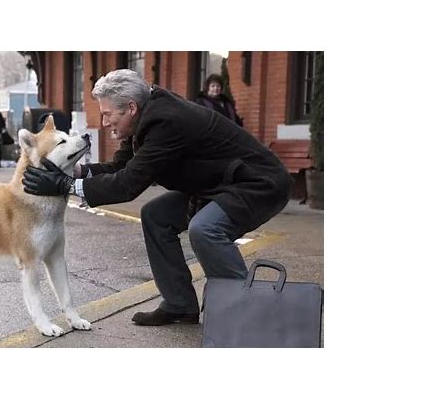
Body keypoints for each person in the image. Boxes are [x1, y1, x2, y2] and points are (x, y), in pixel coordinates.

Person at [22, 69, 293, 326]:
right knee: (156, 216)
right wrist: (73, 170)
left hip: (257, 183)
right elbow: (120, 168)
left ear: (130, 108)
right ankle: (179, 304)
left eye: (107, 115)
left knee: (205, 229)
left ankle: (248, 311)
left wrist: (64, 185)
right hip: (218, 184)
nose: (104, 123)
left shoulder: (166, 122)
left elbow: (128, 184)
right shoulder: (144, 115)